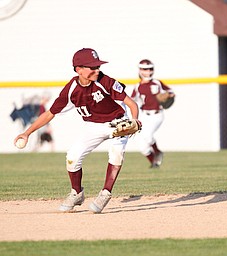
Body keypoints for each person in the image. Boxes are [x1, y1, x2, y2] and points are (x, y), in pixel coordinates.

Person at [14, 48, 140, 213]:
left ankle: (106, 192)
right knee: (72, 158)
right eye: (92, 67)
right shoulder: (71, 89)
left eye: (98, 66)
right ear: (78, 69)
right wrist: (27, 133)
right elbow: (50, 113)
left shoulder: (105, 81)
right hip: (94, 125)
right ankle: (77, 193)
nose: (97, 70)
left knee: (117, 153)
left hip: (118, 122)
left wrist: (135, 119)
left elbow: (132, 104)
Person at [131, 59, 174, 168]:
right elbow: (131, 100)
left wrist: (168, 96)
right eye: (145, 69)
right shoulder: (137, 86)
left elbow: (171, 92)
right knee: (141, 143)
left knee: (147, 136)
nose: (148, 71)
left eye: (150, 69)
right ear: (140, 70)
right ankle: (153, 163)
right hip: (144, 115)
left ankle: (158, 152)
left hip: (157, 114)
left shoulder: (157, 82)